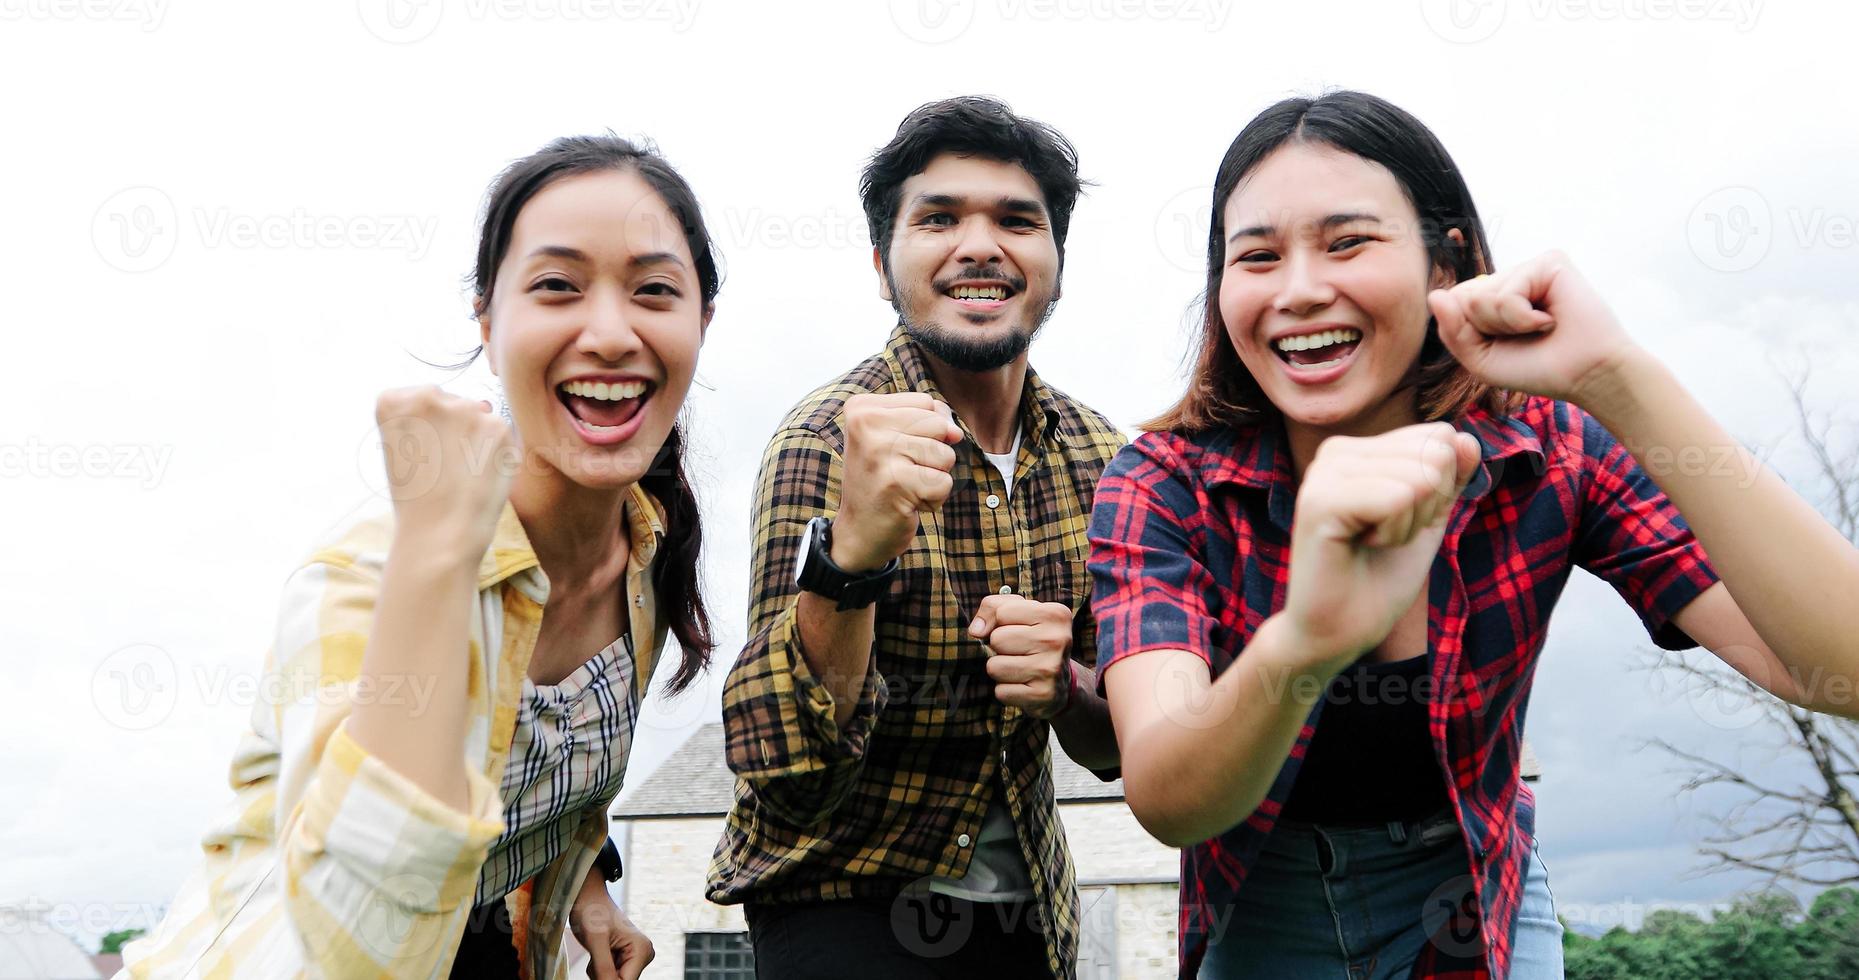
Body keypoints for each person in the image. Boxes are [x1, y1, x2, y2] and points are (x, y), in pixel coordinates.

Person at [1086, 90, 1859, 979]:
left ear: (1442, 264)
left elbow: (1829, 667)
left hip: (1472, 885)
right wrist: (1306, 639)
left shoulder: (1551, 448)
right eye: (1254, 256)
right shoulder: (1163, 481)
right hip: (1261, 901)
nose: (1298, 291)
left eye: (1347, 242)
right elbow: (1170, 800)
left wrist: (1617, 377)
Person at [121, 135, 719, 980]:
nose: (612, 333)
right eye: (556, 286)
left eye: (655, 290)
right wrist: (437, 560)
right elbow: (357, 942)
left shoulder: (646, 553)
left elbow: (552, 762)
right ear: (487, 319)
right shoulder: (366, 573)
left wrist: (587, 887)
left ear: (702, 321)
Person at [705, 96, 1123, 979]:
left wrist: (1064, 689)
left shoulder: (1104, 458)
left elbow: (1115, 745)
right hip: (841, 901)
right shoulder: (824, 439)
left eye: (1017, 220)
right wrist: (851, 556)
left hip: (1030, 918)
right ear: (880, 264)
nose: (979, 245)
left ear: (1055, 262)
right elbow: (784, 768)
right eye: (937, 219)